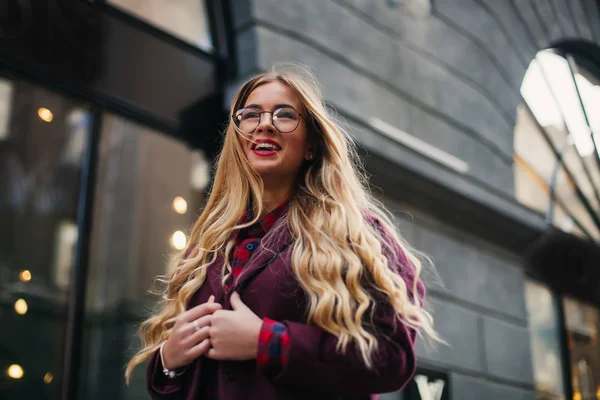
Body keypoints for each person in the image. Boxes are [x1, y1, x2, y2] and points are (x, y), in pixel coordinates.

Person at [125, 66, 439, 399]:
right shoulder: (206, 247)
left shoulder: (358, 234)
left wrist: (266, 341)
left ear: (311, 146)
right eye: (251, 115)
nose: (264, 124)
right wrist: (169, 361)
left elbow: (392, 359)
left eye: (284, 114)